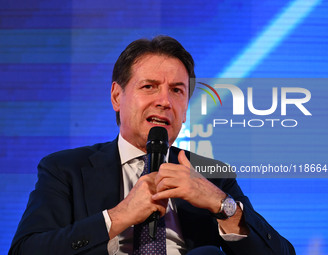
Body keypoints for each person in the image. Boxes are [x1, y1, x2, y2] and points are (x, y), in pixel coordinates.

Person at [9, 35, 295, 255]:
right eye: (149, 86)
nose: (164, 101)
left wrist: (222, 205)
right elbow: (26, 249)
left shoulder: (209, 172)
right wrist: (119, 216)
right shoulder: (66, 169)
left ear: (185, 110)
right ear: (117, 97)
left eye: (177, 91)